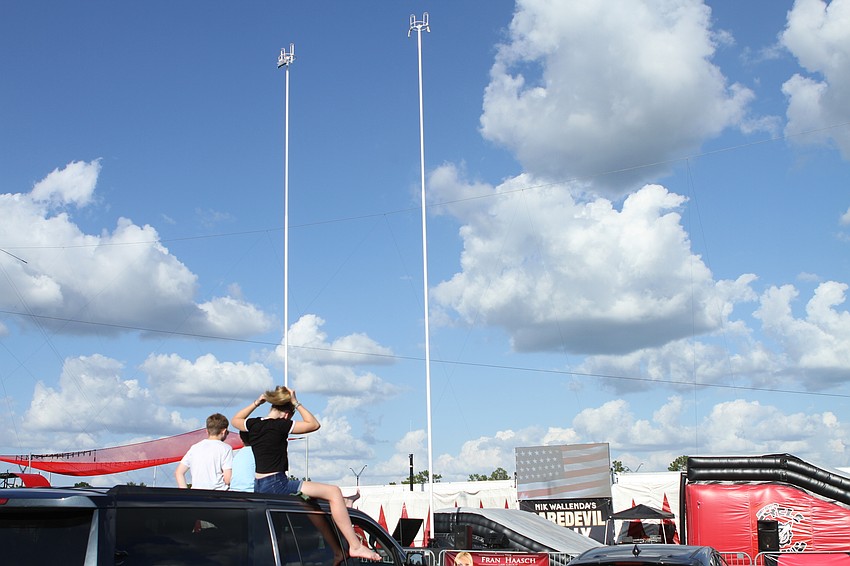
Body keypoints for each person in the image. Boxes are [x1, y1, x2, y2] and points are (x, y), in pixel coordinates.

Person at [232, 386, 380, 561]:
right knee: (334, 492)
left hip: (260, 485)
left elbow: (236, 419)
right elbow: (314, 424)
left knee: (311, 505)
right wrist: (297, 403)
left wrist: (257, 402)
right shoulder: (281, 425)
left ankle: (337, 551)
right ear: (287, 414)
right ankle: (355, 546)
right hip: (278, 483)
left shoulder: (254, 424)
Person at [175, 413, 233, 490]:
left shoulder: (195, 448)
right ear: (224, 431)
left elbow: (179, 472)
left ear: (207, 431)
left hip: (197, 496)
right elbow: (227, 479)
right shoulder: (226, 448)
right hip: (218, 495)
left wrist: (186, 493)